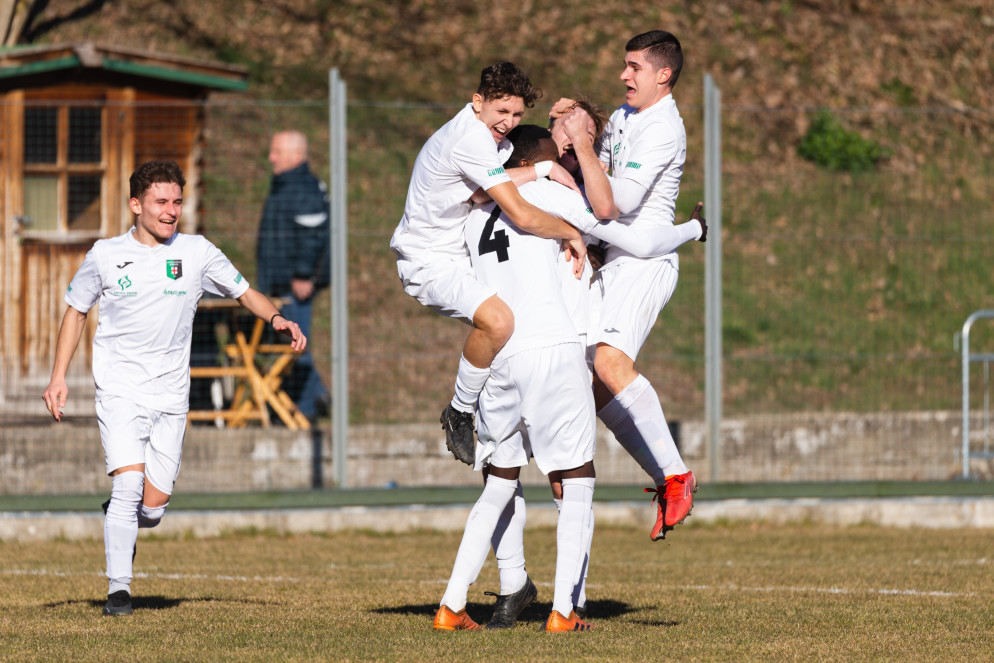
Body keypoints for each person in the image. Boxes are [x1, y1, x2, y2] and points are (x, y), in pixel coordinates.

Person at [41, 160, 306, 617]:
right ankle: (119, 592)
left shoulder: (197, 252)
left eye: (177, 201)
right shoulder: (105, 255)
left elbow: (244, 292)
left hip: (170, 395)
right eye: (161, 201)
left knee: (153, 509)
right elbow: (76, 311)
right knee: (128, 485)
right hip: (120, 388)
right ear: (136, 205)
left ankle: (123, 519)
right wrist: (58, 376)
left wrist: (277, 318)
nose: (171, 211)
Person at [433, 126, 598, 633]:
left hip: (498, 357)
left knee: (499, 482)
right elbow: (610, 221)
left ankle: (452, 605)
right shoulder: (550, 193)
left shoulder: (474, 212)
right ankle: (564, 612)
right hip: (550, 349)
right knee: (578, 476)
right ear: (542, 159)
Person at [389, 62, 587, 466]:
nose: (509, 122)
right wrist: (570, 232)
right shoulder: (471, 140)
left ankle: (503, 439)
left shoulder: (483, 134)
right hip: (427, 261)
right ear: (478, 102)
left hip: (453, 254)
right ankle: (460, 411)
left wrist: (544, 165)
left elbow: (480, 194)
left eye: (517, 114)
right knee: (499, 322)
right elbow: (522, 214)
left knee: (509, 332)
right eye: (501, 111)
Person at [551, 30, 706, 541]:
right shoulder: (624, 116)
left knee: (609, 364)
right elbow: (596, 175)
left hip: (645, 262)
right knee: (594, 385)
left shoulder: (663, 129)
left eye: (634, 67)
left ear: (663, 74)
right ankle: (667, 478)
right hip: (617, 259)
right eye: (624, 64)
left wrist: (581, 143)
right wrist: (569, 129)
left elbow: (615, 203)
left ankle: (677, 476)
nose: (623, 75)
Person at [256, 130, 331, 422]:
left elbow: (314, 237)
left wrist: (303, 275)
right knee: (290, 345)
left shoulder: (304, 187)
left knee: (295, 344)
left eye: (277, 152)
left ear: (296, 155)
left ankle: (309, 408)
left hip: (294, 284)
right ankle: (313, 398)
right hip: (280, 281)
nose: (271, 157)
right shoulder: (286, 184)